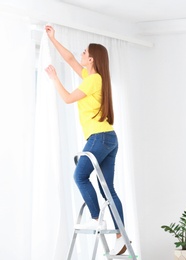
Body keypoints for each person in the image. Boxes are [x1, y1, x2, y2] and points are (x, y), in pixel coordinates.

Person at [44, 25, 127, 255]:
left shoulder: (92, 80)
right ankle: (121, 236)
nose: (80, 54)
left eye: (84, 52)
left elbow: (69, 98)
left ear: (91, 59)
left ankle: (95, 218)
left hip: (99, 137)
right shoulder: (93, 77)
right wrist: (53, 39)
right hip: (108, 137)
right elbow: (70, 58)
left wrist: (53, 78)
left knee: (79, 176)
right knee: (108, 189)